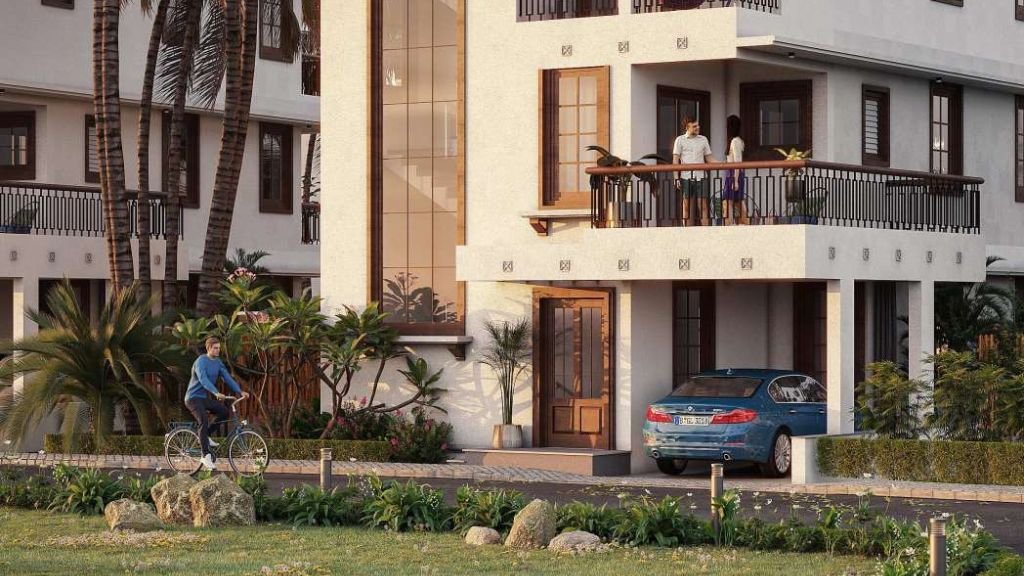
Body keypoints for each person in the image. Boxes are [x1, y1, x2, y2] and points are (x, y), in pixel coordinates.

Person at [185, 337, 248, 471]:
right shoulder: (201, 361)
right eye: (215, 348)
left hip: (203, 398)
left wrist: (239, 391)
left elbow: (228, 378)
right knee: (203, 419)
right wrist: (215, 392)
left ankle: (205, 435)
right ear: (208, 348)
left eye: (219, 348)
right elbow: (203, 379)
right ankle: (205, 455)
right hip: (192, 398)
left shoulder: (218, 362)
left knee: (224, 411)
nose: (218, 350)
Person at [672, 116, 718, 226]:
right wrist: (676, 178)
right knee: (686, 206)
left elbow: (709, 158)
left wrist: (722, 164)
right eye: (694, 126)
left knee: (703, 206)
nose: (698, 127)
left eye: (698, 125)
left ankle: (705, 231)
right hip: (686, 177)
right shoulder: (680, 140)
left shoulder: (703, 139)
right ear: (687, 127)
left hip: (701, 177)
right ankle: (687, 232)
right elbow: (675, 160)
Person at [722, 115, 749, 225]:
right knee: (735, 202)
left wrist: (736, 180)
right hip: (732, 173)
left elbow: (738, 161)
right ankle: (743, 224)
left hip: (734, 174)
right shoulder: (736, 141)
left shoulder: (735, 141)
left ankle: (732, 225)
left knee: (730, 202)